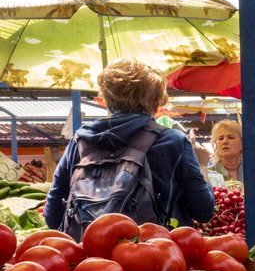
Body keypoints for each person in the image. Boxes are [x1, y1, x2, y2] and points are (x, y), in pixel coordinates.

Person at [44, 59, 214, 230]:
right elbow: (203, 211)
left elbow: (52, 215)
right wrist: (202, 166)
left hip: (91, 253)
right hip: (156, 251)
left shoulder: (81, 141)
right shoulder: (173, 141)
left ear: (107, 99)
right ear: (157, 102)